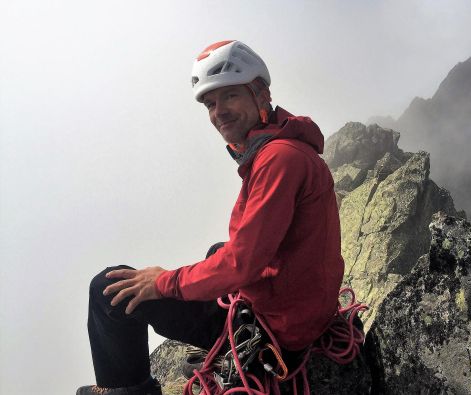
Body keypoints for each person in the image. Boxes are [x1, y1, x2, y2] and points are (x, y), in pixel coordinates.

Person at [77, 40, 344, 395]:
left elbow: (242, 264)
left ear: (260, 93)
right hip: (299, 307)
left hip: (278, 330)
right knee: (216, 250)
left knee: (109, 291)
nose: (218, 112)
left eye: (229, 96)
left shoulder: (279, 160)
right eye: (210, 103)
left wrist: (163, 282)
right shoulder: (282, 146)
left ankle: (127, 391)